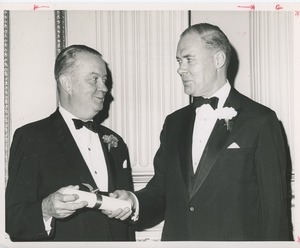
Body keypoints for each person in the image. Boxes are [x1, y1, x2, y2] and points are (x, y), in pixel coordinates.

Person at [105, 23, 290, 241]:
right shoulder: (174, 123)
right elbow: (161, 189)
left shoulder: (260, 120)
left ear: (218, 60)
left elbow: (274, 211)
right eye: (178, 61)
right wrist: (133, 201)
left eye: (188, 59)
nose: (180, 69)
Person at [5, 45, 135, 241]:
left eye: (105, 80)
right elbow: (13, 219)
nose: (105, 88)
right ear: (66, 83)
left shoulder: (116, 143)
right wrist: (46, 209)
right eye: (94, 79)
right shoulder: (31, 137)